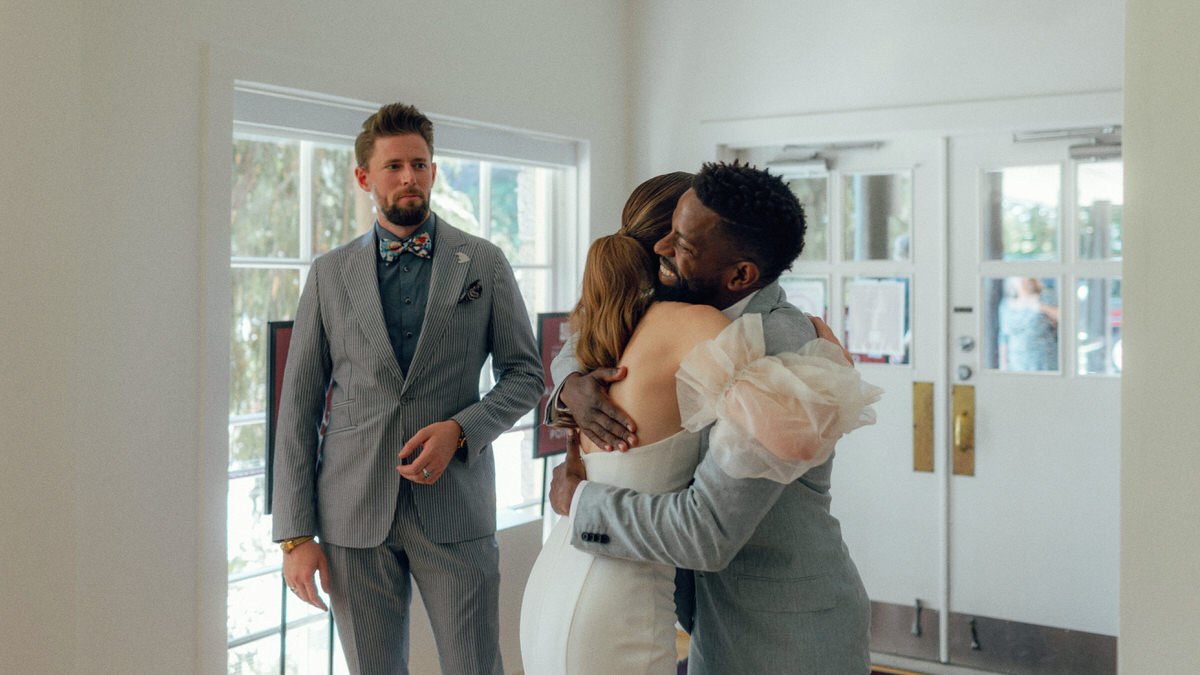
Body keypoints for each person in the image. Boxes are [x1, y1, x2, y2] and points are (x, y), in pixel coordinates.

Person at [539, 163, 880, 674]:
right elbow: (588, 328)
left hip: (789, 634)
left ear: (740, 275)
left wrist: (579, 500)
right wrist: (571, 386)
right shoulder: (684, 306)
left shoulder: (784, 354)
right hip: (706, 620)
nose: (660, 251)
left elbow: (707, 532)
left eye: (681, 244)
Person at [271, 102, 543, 675]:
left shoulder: (485, 265)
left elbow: (526, 375)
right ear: (365, 178)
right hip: (350, 515)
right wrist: (295, 536)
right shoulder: (328, 274)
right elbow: (297, 406)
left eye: (419, 164)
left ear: (434, 171)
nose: (408, 177)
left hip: (456, 510)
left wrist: (460, 431)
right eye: (393, 166)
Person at [998, 276, 1059, 371]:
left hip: (1043, 361)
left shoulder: (1045, 297)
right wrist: (1003, 365)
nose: (1023, 280)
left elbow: (1064, 319)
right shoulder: (1006, 304)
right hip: (1016, 363)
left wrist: (1040, 307)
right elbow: (1003, 336)